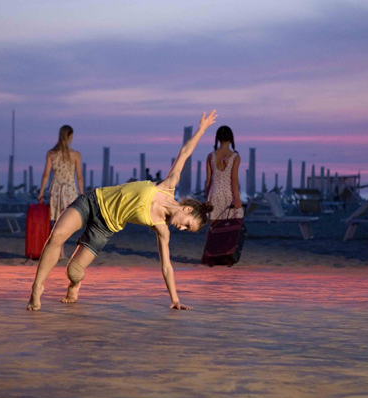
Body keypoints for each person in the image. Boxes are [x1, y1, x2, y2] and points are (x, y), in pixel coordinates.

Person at [27, 110, 218, 311]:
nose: (182, 228)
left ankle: (74, 285)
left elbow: (167, 267)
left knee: (73, 272)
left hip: (104, 228)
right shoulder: (168, 185)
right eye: (187, 224)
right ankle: (37, 287)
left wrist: (175, 299)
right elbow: (185, 152)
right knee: (57, 234)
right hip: (93, 201)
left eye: (187, 230)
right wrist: (202, 129)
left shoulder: (162, 229)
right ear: (187, 209)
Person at [38, 125, 84, 259]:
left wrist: (41, 191)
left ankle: (60, 252)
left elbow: (46, 175)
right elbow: (79, 176)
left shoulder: (51, 154)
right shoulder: (76, 155)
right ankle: (61, 252)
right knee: (67, 221)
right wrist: (82, 194)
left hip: (56, 189)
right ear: (70, 137)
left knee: (57, 222)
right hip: (70, 189)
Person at [205, 125, 243, 219]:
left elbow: (208, 180)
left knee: (214, 228)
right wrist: (237, 199)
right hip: (228, 194)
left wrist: (207, 198)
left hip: (214, 194)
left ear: (218, 139)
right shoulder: (235, 157)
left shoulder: (210, 156)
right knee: (229, 228)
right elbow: (234, 179)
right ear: (231, 138)